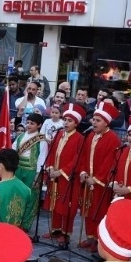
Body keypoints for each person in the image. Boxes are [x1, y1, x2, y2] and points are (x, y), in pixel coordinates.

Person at [76, 101, 122, 251]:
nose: (94, 123)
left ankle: (98, 240)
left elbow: (109, 162)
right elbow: (83, 156)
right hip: (88, 179)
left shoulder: (113, 139)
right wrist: (83, 172)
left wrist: (95, 179)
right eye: (94, 120)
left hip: (100, 183)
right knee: (87, 210)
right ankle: (89, 237)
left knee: (98, 211)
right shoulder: (90, 136)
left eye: (98, 120)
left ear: (106, 122)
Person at [44, 104, 85, 246]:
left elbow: (77, 158)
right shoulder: (59, 134)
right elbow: (51, 151)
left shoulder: (79, 138)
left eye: (70, 121)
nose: (66, 123)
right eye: (65, 120)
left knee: (66, 204)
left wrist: (61, 171)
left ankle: (66, 232)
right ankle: (55, 229)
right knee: (54, 202)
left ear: (76, 123)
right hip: (54, 174)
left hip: (67, 178)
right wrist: (49, 167)